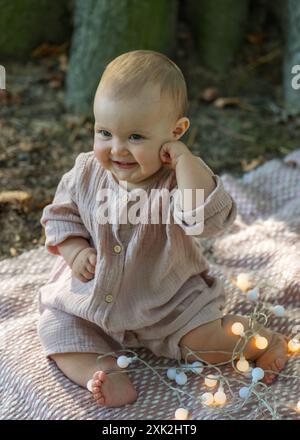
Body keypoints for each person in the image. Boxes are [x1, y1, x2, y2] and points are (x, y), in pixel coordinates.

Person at [37, 50, 287, 408]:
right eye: (104, 132)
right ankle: (103, 370)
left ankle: (259, 340)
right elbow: (61, 216)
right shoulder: (85, 173)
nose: (117, 149)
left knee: (206, 344)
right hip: (90, 299)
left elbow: (208, 220)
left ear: (175, 132)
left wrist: (186, 162)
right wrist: (76, 249)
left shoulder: (178, 182)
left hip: (167, 303)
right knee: (58, 330)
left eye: (136, 137)